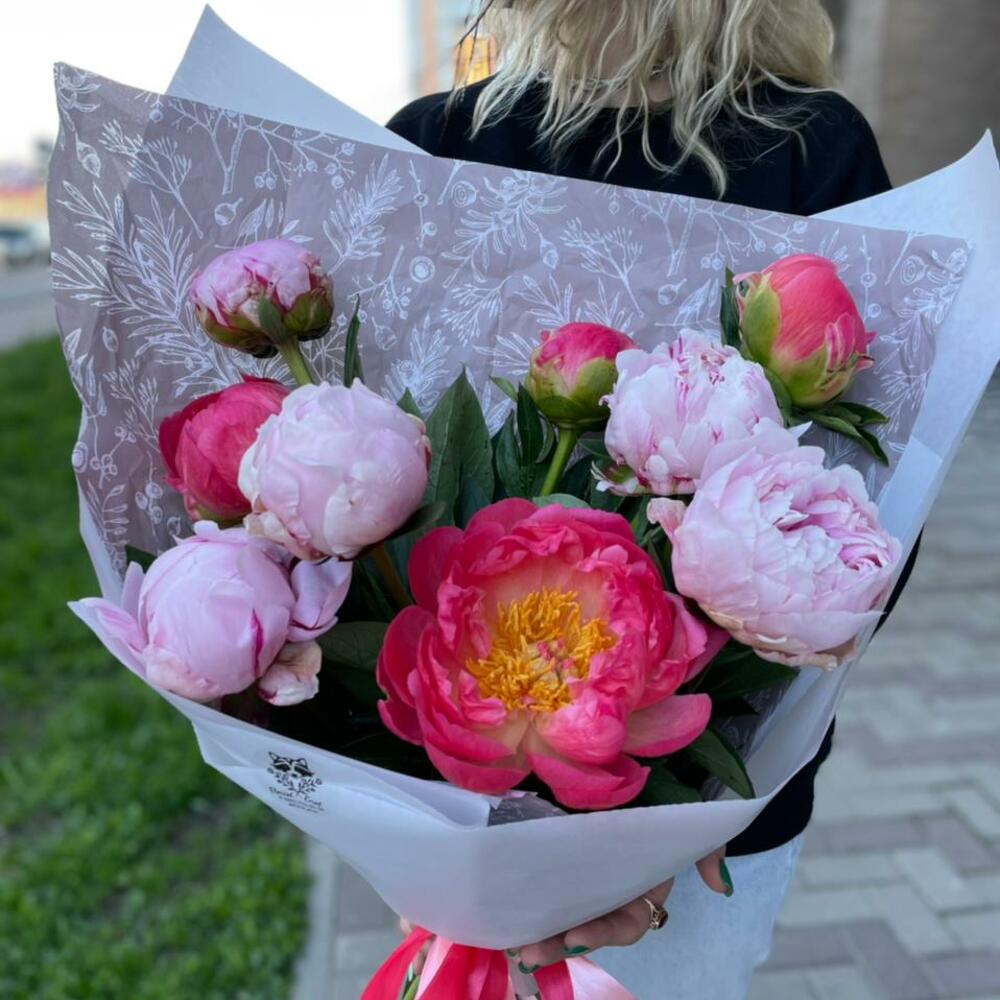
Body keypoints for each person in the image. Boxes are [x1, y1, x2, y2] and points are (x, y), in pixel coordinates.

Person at [387, 1, 908, 995]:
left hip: (693, 813)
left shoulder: (809, 151)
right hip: (452, 784)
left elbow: (856, 530)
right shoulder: (429, 142)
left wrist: (664, 821)